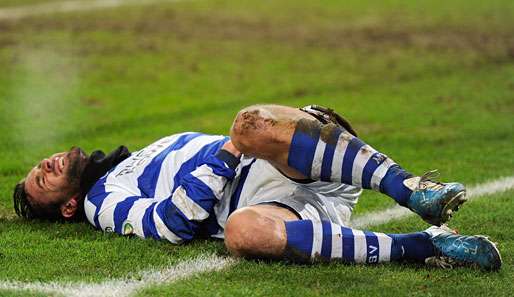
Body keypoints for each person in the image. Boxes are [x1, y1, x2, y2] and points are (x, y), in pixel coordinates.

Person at [13, 104, 502, 270]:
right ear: (68, 207)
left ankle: (411, 189)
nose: (47, 164)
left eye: (41, 164)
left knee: (248, 125)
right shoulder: (102, 203)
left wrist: (236, 147)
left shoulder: (134, 156)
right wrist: (227, 155)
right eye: (43, 179)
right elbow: (171, 224)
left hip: (293, 159)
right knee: (243, 234)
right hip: (274, 207)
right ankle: (427, 247)